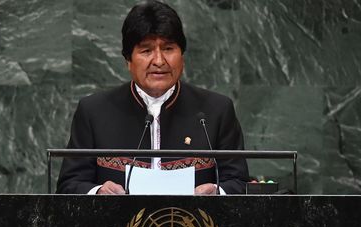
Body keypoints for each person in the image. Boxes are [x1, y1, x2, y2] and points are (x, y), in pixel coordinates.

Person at [56, 0, 249, 195]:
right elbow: (68, 185)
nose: (158, 61)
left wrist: (217, 192)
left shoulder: (216, 110)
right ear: (128, 61)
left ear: (182, 56)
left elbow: (240, 183)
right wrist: (98, 192)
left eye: (168, 49)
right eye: (146, 50)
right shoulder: (94, 112)